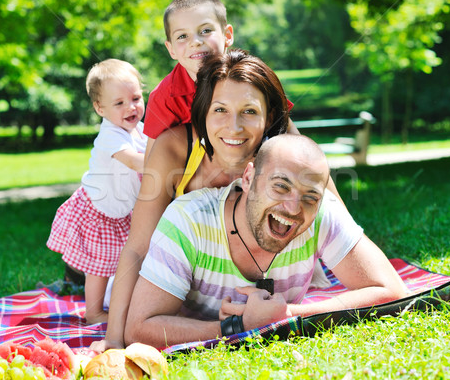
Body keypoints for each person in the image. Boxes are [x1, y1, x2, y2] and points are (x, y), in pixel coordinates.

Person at [124, 135, 409, 348]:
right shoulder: (188, 220)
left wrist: (288, 314)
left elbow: (391, 289)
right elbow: (139, 329)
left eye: (310, 196)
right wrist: (238, 326)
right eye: (281, 186)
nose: (294, 208)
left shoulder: (322, 212)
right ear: (248, 178)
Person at [91, 49, 292, 351]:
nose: (234, 126)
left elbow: (329, 202)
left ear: (268, 116)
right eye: (219, 109)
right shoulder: (175, 147)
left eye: (249, 111)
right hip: (183, 288)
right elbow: (136, 248)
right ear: (204, 111)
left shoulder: (281, 142)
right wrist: (114, 339)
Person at [46, 59, 147, 324]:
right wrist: (171, 162)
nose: (131, 107)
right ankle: (93, 312)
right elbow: (136, 161)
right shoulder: (110, 136)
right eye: (119, 103)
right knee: (99, 267)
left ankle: (121, 303)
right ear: (99, 108)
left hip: (119, 209)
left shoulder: (139, 131)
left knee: (124, 260)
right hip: (97, 210)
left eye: (135, 98)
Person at [143, 0, 297, 158]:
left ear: (227, 35)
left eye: (206, 30)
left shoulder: (251, 78)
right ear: (171, 49)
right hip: (194, 177)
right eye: (182, 36)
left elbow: (290, 133)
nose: (195, 41)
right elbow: (152, 158)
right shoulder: (164, 97)